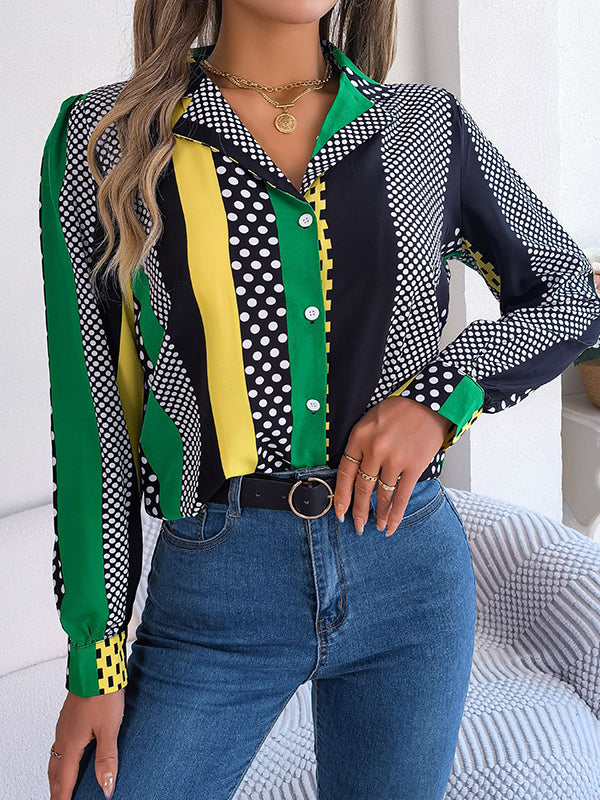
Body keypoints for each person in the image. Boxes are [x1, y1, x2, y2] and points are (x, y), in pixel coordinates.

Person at [39, 1, 600, 798]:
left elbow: (570, 293)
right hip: (219, 589)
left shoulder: (423, 128)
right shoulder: (109, 138)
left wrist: (437, 401)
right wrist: (95, 665)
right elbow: (93, 421)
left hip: (409, 573)